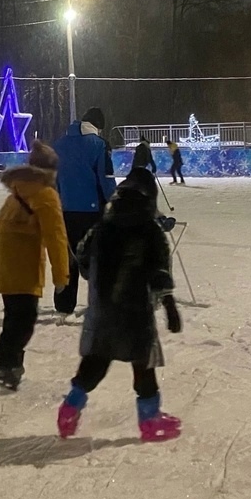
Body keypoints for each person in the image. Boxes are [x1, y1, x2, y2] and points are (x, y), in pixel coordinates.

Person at [56, 168, 183, 443]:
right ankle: (150, 421)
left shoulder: (102, 226)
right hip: (136, 312)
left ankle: (69, 409)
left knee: (96, 363)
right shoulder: (150, 230)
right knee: (143, 367)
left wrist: (99, 277)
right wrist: (170, 305)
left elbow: (83, 256)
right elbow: (160, 271)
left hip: (103, 311)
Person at [0, 140, 70, 390]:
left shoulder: (18, 190)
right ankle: (0, 361)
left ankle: (11, 367)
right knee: (24, 320)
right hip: (23, 268)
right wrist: (61, 276)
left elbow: (0, 232)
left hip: (6, 266)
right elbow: (56, 237)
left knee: (15, 318)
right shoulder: (46, 194)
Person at [51, 107, 114, 320]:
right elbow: (106, 179)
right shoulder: (99, 146)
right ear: (98, 127)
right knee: (97, 259)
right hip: (92, 211)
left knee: (68, 258)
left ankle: (64, 305)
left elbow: (53, 180)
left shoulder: (59, 145)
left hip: (65, 210)